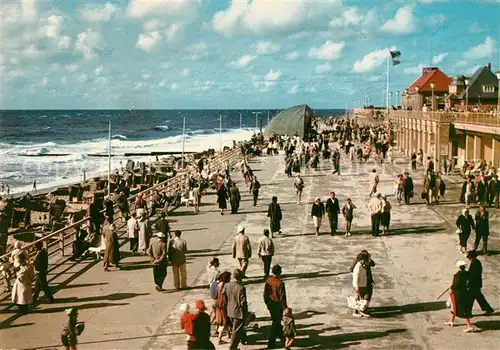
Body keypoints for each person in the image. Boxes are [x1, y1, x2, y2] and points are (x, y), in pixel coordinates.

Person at [445, 260, 474, 332]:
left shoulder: (457, 275)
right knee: (454, 306)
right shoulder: (467, 273)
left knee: (460, 308)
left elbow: (456, 285)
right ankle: (451, 321)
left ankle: (469, 326)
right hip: (465, 292)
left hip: (458, 294)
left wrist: (452, 287)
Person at [264, 264, 287, 349]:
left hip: (270, 304)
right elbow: (282, 297)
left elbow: (265, 294)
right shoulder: (280, 283)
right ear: (280, 272)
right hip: (278, 305)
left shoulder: (268, 281)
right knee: (276, 323)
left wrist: (267, 303)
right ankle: (271, 342)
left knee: (276, 320)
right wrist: (285, 308)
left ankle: (281, 336)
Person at [224, 269, 248, 350]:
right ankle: (232, 348)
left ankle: (242, 340)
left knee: (235, 329)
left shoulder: (227, 285)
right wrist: (246, 312)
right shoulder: (241, 288)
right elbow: (243, 302)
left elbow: (224, 296)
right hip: (238, 312)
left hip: (229, 310)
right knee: (236, 331)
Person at [214, 271, 231, 345]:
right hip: (223, 306)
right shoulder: (225, 286)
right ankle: (219, 339)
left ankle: (229, 334)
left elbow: (215, 296)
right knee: (223, 323)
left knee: (225, 321)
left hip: (218, 305)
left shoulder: (218, 285)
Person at [351, 252, 370, 317]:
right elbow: (355, 278)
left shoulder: (361, 265)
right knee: (357, 299)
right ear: (361, 260)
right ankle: (356, 312)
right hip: (359, 286)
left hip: (362, 285)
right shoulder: (357, 267)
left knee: (359, 299)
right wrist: (356, 288)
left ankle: (359, 311)